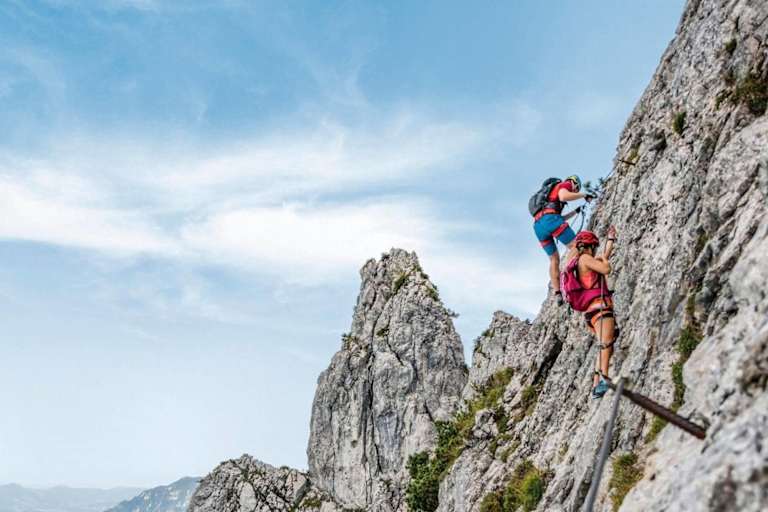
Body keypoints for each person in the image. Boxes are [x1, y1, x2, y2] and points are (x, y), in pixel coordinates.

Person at [566, 227, 618, 399]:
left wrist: (610, 240)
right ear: (590, 246)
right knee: (606, 344)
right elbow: (606, 268)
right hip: (600, 308)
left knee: (603, 344)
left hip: (591, 311)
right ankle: (604, 380)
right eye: (594, 247)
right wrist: (605, 261)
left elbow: (603, 257)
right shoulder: (585, 258)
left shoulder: (580, 261)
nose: (596, 250)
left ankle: (597, 385)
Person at [531, 175, 594, 305]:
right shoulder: (565, 184)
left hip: (538, 226)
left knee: (554, 259)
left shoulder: (546, 199)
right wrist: (584, 195)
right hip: (551, 220)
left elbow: (557, 216)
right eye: (576, 188)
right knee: (577, 245)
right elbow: (564, 196)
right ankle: (567, 275)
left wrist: (576, 212)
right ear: (574, 182)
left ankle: (558, 293)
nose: (574, 191)